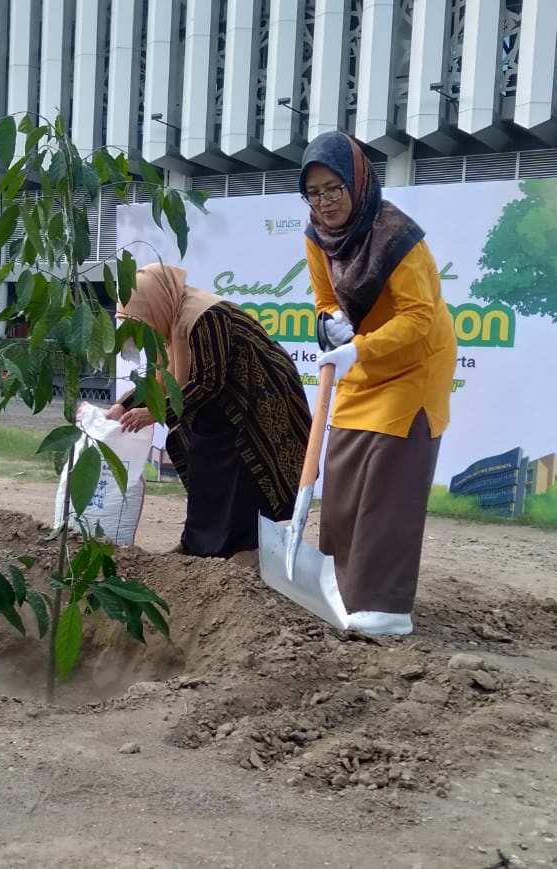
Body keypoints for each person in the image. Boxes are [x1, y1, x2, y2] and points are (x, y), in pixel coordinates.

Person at [300, 130, 457, 637]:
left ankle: (383, 605)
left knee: (388, 481)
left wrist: (358, 348)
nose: (324, 203)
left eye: (333, 189)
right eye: (314, 192)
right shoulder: (317, 237)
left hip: (415, 365)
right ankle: (341, 589)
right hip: (363, 361)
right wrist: (330, 323)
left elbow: (418, 318)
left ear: (357, 182)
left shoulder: (398, 237)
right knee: (343, 469)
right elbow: (324, 297)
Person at [108, 262, 312, 565]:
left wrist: (152, 413)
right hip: (224, 402)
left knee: (244, 466)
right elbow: (162, 379)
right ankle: (198, 544)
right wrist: (123, 405)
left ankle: (248, 549)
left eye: (140, 322)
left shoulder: (204, 316)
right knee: (201, 454)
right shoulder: (171, 324)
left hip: (259, 399)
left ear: (155, 305)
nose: (139, 332)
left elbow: (207, 381)